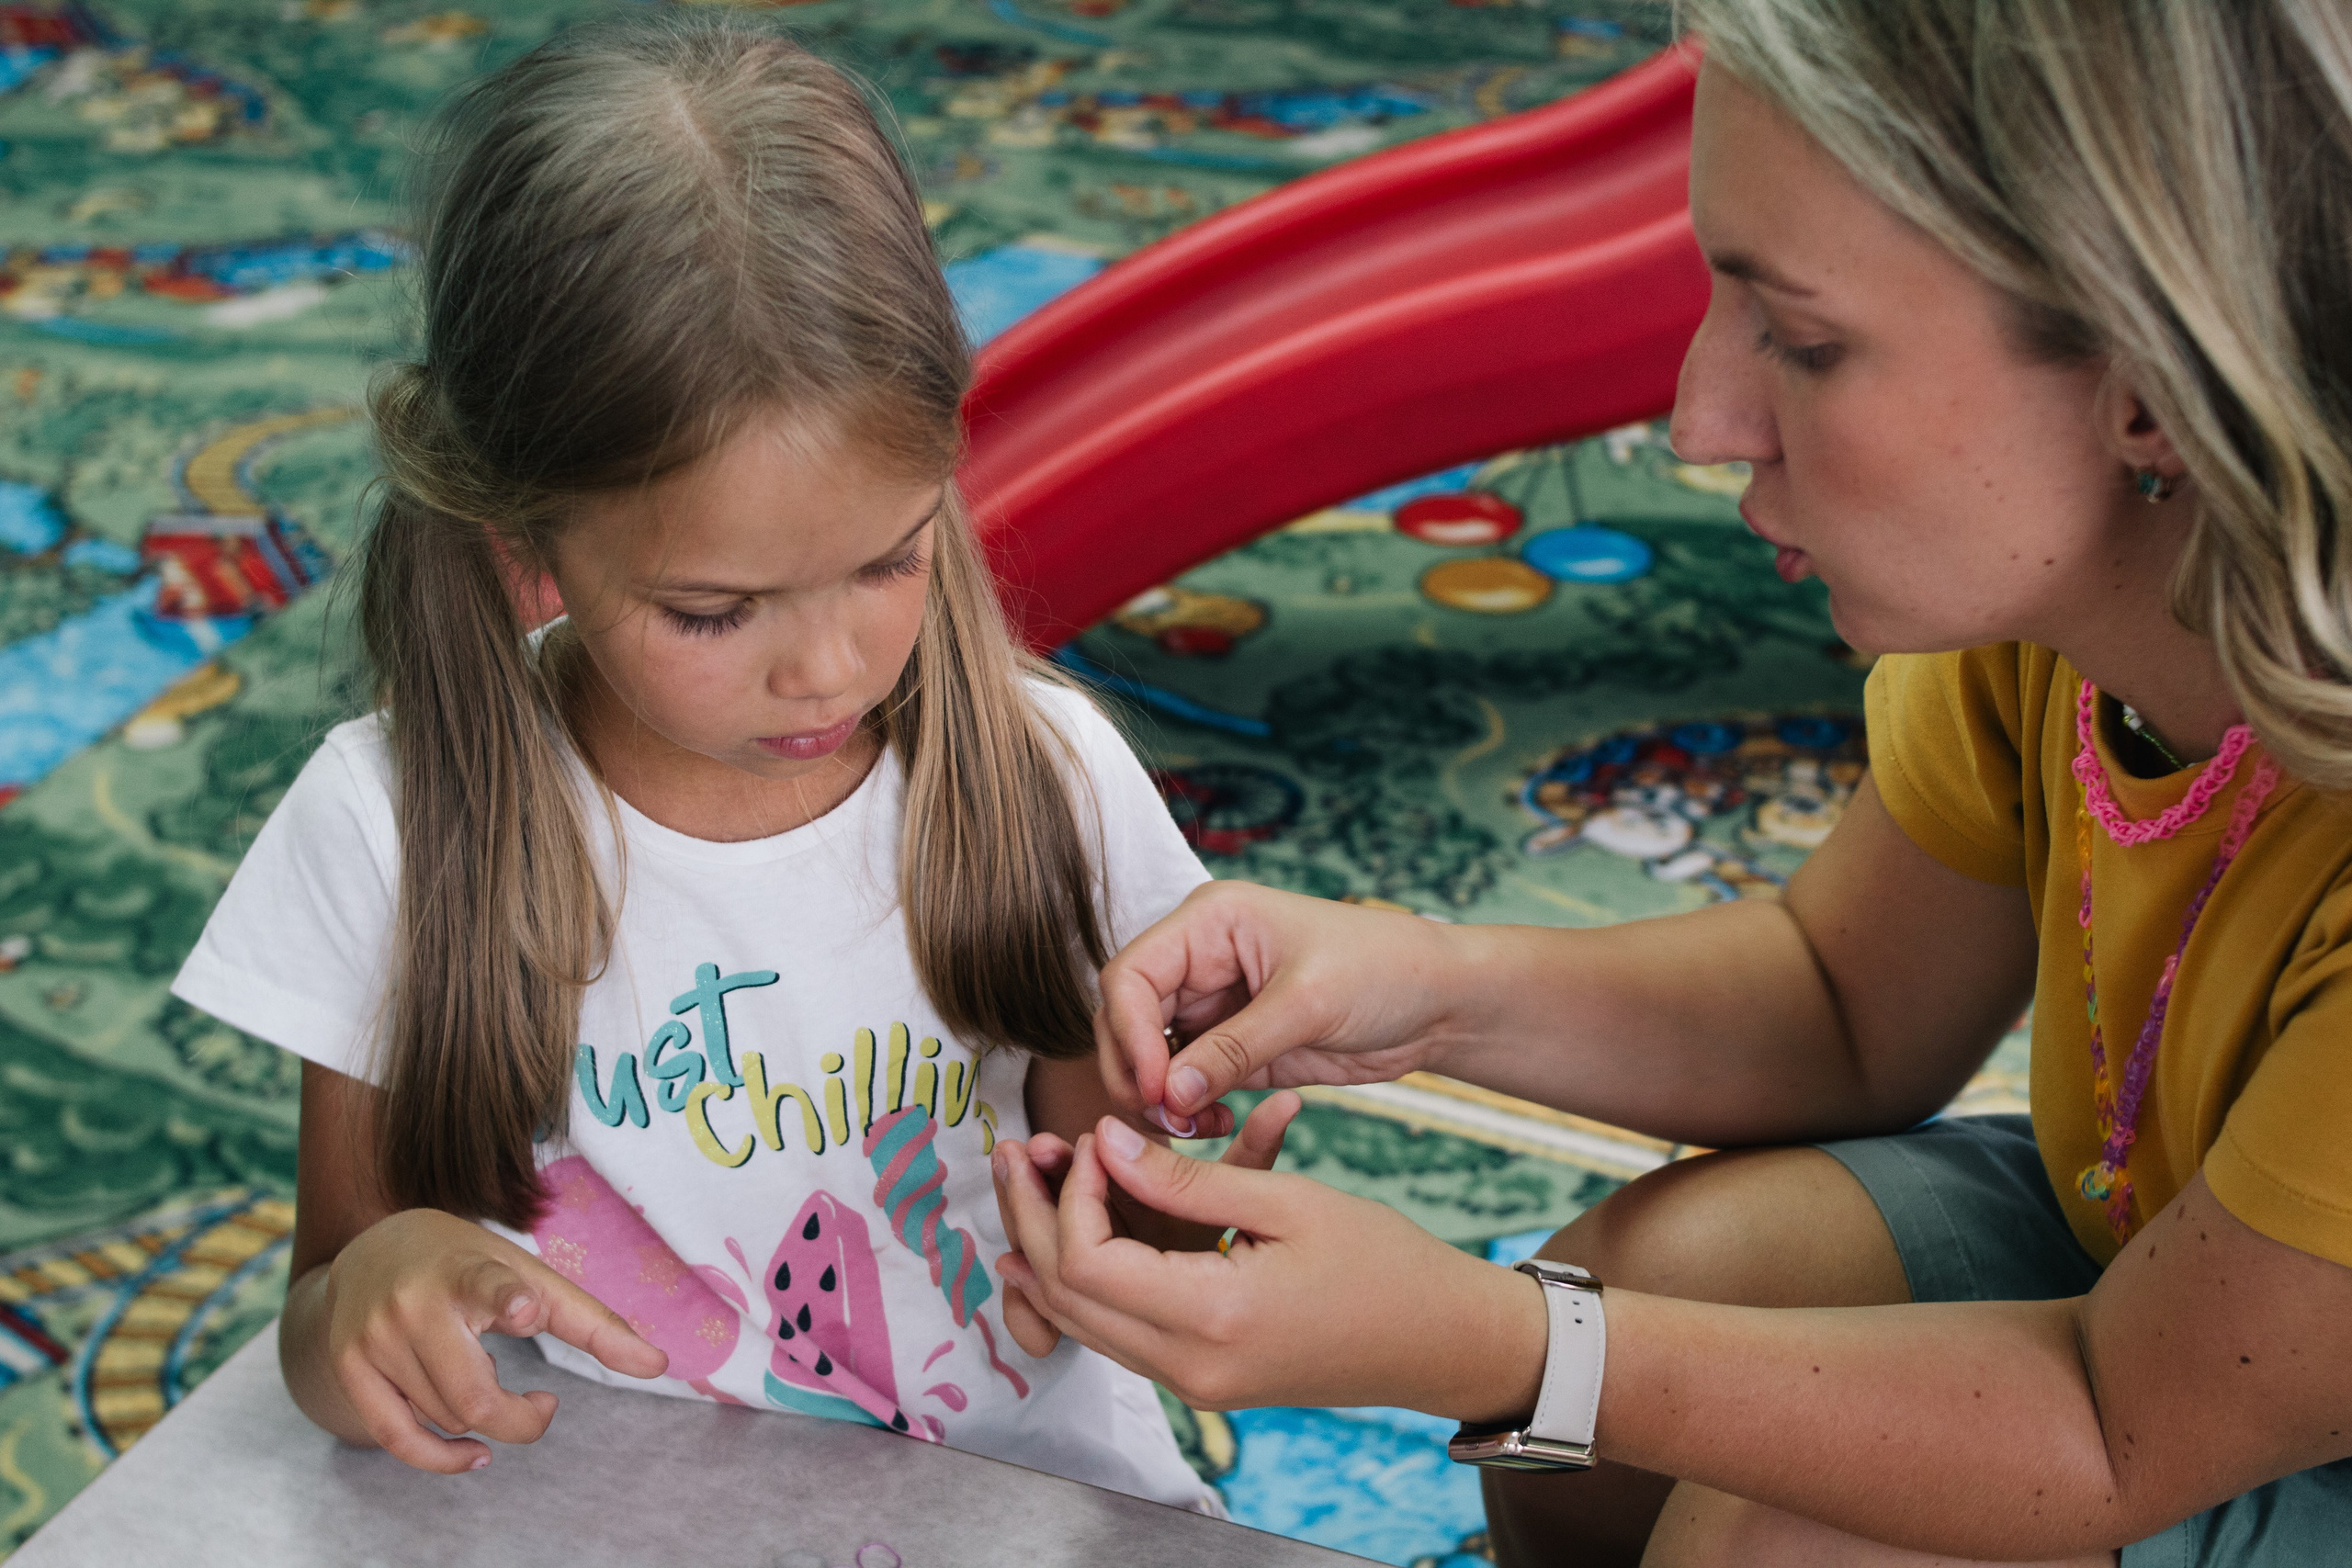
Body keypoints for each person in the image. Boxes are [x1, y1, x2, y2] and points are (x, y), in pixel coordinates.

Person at [988, 2, 2352, 1562]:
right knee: (1641, 1297)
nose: (1700, 419)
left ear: (2156, 387)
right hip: (2181, 1289)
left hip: (2184, 1408)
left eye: (1808, 341)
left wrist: (1493, 1346)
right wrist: (1423, 985)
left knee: (1779, 1536)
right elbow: (1846, 1002)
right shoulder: (2069, 604)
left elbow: (2109, 1434)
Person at [166, 14, 1295, 1509]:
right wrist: (379, 1290)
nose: (824, 670)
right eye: (712, 611)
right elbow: (322, 1322)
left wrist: (1158, 1216)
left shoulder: (1046, 777)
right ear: (526, 541)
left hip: (1021, 1515)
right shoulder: (389, 829)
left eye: (890, 562)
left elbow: (1109, 1213)